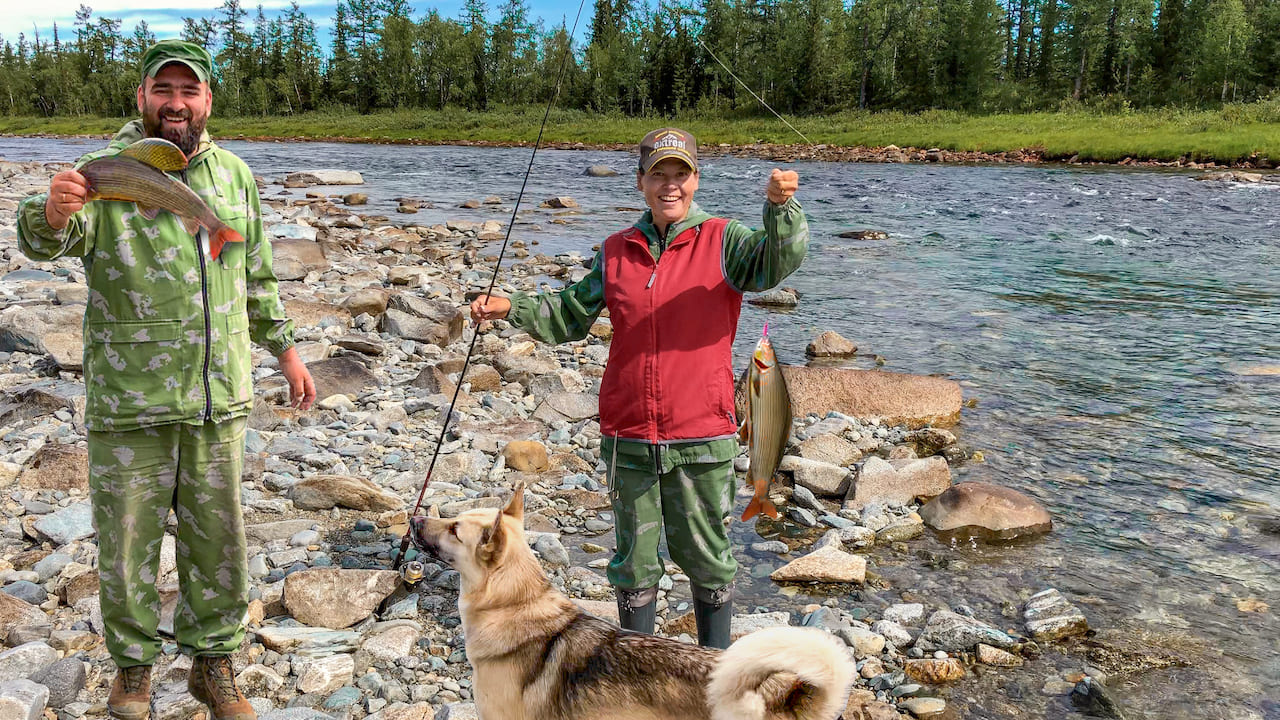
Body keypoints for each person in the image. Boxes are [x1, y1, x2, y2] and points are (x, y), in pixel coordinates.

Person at [16, 39, 315, 720]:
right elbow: (45, 239)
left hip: (218, 397)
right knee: (126, 547)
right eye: (163, 91)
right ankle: (132, 672)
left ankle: (214, 667)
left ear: (208, 100)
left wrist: (287, 351)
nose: (176, 104)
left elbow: (257, 274)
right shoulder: (103, 171)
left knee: (219, 542)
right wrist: (53, 210)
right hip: (132, 401)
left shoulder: (235, 175)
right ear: (142, 98)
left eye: (189, 92)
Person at [469, 128, 807, 649]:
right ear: (641, 182)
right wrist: (510, 305)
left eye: (680, 175)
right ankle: (636, 674)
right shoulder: (616, 251)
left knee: (708, 557)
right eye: (658, 175)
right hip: (628, 435)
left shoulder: (727, 241)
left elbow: (775, 262)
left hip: (702, 435)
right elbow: (569, 313)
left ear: (695, 180)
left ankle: (711, 669)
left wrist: (781, 209)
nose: (669, 186)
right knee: (633, 563)